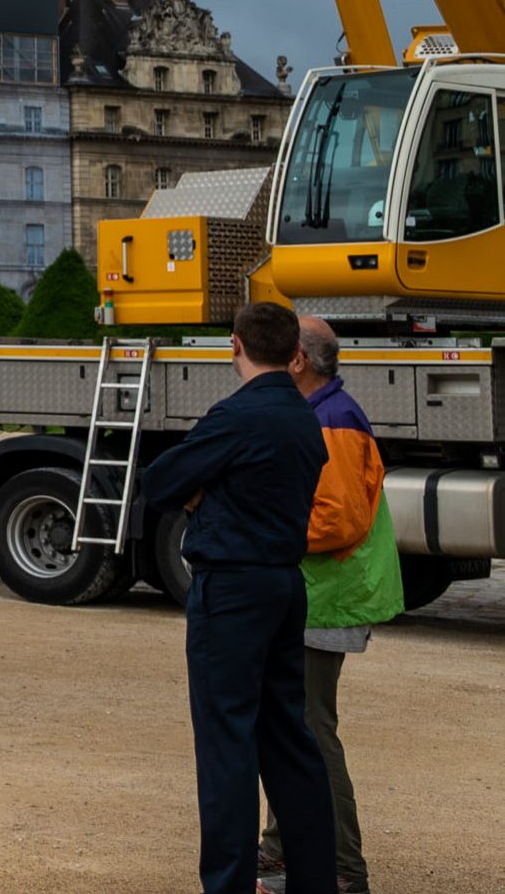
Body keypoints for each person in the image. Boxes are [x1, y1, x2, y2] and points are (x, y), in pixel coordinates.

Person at [139, 301, 336, 894]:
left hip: (232, 589)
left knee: (227, 744)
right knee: (289, 739)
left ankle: (227, 884)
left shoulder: (236, 415)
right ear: (294, 354)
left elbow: (159, 482)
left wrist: (206, 497)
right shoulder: (303, 416)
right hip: (285, 582)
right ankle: (315, 881)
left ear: (234, 347)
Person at [257, 315, 401, 894]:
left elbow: (336, 520)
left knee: (312, 730)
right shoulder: (324, 413)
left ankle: (343, 869)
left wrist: (260, 529)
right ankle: (279, 851)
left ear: (298, 363)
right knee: (295, 726)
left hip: (327, 597)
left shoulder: (332, 420)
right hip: (318, 594)